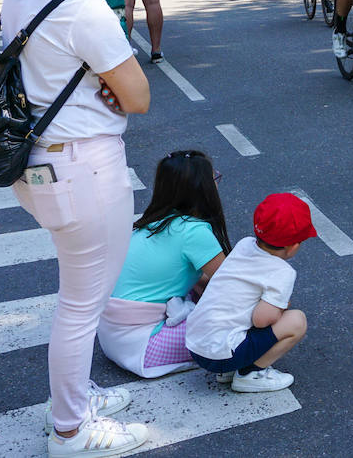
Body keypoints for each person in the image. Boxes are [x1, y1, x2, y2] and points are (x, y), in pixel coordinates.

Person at [2, 0, 151, 457]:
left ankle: (76, 397)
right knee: (81, 303)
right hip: (84, 169)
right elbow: (138, 96)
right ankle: (70, 428)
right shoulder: (83, 8)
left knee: (77, 294)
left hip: (41, 165)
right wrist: (107, 80)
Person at [97, 150, 231, 379]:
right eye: (213, 179)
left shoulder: (151, 223)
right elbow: (234, 284)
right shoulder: (194, 231)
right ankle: (247, 371)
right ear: (202, 189)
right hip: (144, 347)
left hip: (112, 338)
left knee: (202, 288)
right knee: (244, 324)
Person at [184, 193, 315, 393]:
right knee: (297, 321)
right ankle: (250, 373)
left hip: (196, 345)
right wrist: (280, 307)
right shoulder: (282, 272)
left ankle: (227, 371)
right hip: (220, 354)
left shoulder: (244, 244)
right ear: (294, 246)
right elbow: (261, 320)